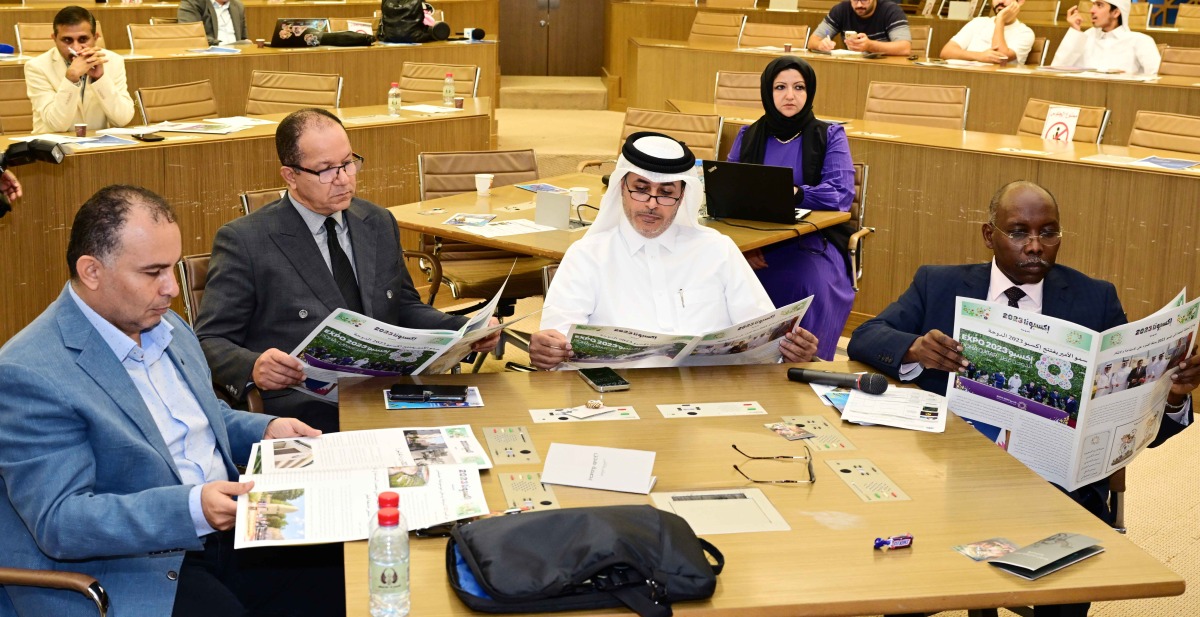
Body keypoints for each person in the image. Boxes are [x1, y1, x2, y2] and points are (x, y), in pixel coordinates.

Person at [0, 185, 321, 617]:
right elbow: (61, 521)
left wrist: (264, 429)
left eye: (172, 268)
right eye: (153, 273)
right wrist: (192, 507)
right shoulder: (29, 372)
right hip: (137, 564)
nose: (171, 288)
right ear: (92, 271)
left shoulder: (163, 324)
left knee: (341, 572)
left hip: (226, 527)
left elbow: (202, 421)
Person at [847, 179, 1198, 509]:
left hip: (1053, 486)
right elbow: (865, 338)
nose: (1035, 246)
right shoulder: (938, 283)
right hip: (947, 467)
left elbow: (1141, 431)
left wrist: (1175, 395)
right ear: (989, 235)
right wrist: (915, 349)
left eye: (1048, 233)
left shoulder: (1095, 299)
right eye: (1018, 232)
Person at [195, 108, 499, 434]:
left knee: (486, 423)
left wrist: (464, 330)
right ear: (290, 176)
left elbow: (405, 308)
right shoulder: (246, 240)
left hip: (385, 391)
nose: (343, 178)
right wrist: (252, 366)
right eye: (326, 170)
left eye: (348, 162)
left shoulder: (377, 221)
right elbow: (208, 340)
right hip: (305, 408)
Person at [528, 132, 819, 370]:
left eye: (666, 193)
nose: (652, 203)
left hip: (712, 399)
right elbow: (557, 340)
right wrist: (547, 351)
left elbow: (763, 332)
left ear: (682, 197)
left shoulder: (717, 250)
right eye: (641, 189)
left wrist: (791, 349)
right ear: (621, 189)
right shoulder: (587, 255)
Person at [725, 56, 856, 361]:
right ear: (767, 92)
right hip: (755, 240)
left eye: (799, 87)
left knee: (808, 281)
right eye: (780, 87)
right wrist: (743, 248)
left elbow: (840, 194)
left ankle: (804, 362)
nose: (789, 95)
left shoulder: (830, 135)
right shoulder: (748, 136)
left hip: (811, 241)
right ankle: (735, 361)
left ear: (809, 92)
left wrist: (795, 193)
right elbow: (729, 193)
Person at [24, 6, 135, 134]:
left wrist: (100, 79)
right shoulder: (37, 67)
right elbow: (57, 125)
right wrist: (71, 79)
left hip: (98, 146)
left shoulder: (113, 61)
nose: (76, 48)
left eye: (83, 39)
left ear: (95, 37)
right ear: (54, 38)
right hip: (53, 149)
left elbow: (123, 119)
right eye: (67, 40)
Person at [1050, 0, 1160, 75]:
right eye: (1093, 5)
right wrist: (1075, 32)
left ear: (1116, 12)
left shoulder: (1140, 41)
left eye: (1099, 5)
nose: (1091, 10)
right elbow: (1056, 71)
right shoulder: (1084, 36)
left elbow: (1156, 80)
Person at [940, 0, 1035, 65]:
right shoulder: (978, 22)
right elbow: (946, 52)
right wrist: (979, 56)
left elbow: (999, 58)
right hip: (966, 77)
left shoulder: (1025, 33)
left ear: (1021, 1)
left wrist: (1000, 20)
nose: (1001, 1)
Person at [807, 0, 912, 57]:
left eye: (864, 0)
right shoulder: (841, 10)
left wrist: (870, 45)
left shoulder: (891, 11)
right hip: (852, 67)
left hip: (884, 68)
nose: (859, 5)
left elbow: (904, 48)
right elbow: (812, 41)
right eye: (855, 0)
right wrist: (820, 45)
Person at [178, 0, 248, 45]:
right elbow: (191, 35)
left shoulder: (238, 6)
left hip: (237, 59)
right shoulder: (192, 3)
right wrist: (225, 45)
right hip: (207, 59)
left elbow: (243, 38)